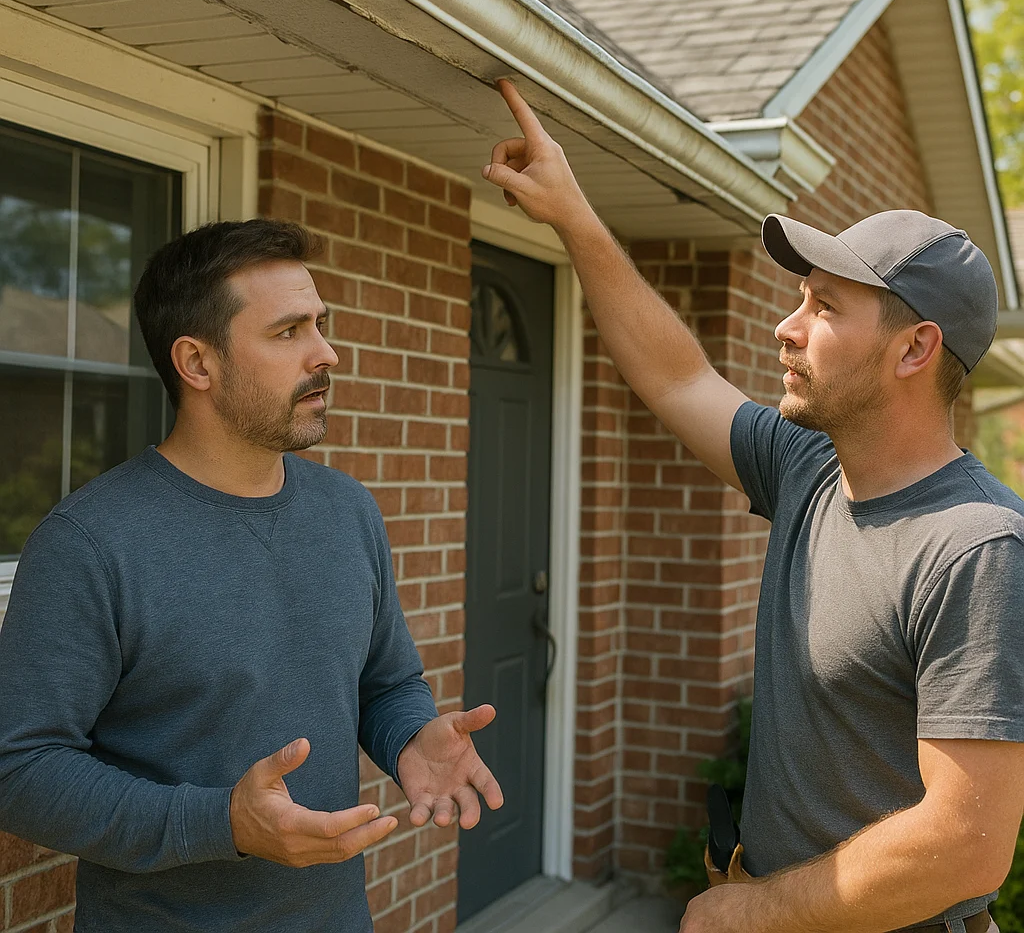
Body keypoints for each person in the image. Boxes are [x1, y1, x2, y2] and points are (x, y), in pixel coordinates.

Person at [481, 80, 1024, 933]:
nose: (787, 325)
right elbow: (677, 376)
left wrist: (746, 913)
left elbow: (965, 842)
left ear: (916, 348)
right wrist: (573, 217)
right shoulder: (809, 467)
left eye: (825, 306)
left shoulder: (974, 547)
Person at [0, 219, 503, 933]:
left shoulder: (346, 511)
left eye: (320, 325)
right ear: (197, 363)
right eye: (288, 331)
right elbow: (19, 769)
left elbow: (385, 683)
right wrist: (223, 823)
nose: (326, 353)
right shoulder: (89, 543)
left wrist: (409, 737)